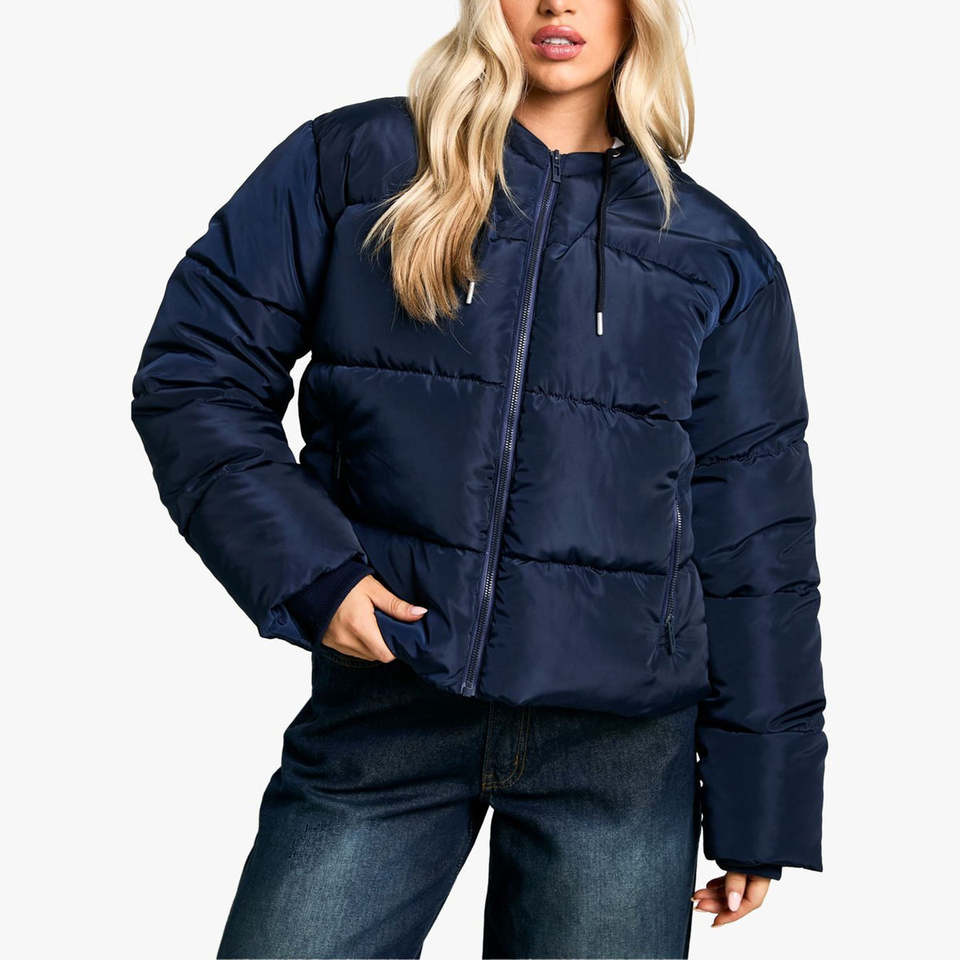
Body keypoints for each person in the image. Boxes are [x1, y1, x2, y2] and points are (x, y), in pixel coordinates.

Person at [131, 1, 826, 957]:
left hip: (617, 754)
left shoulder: (717, 256)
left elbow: (758, 542)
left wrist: (761, 805)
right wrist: (314, 576)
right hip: (389, 706)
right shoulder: (357, 165)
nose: (557, 5)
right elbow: (196, 376)